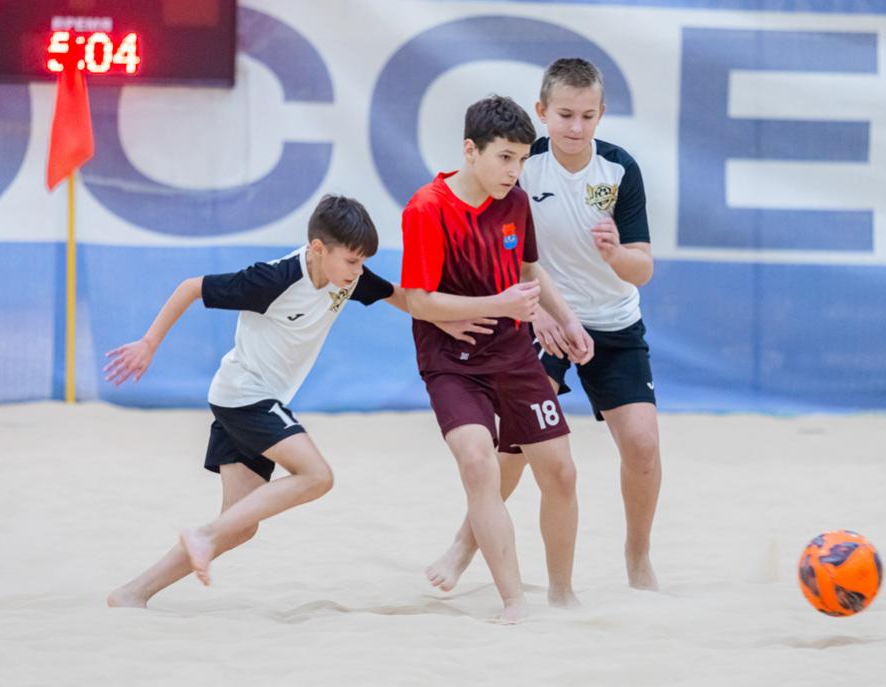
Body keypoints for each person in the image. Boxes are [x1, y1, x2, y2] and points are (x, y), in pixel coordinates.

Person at [104, 194, 477, 608]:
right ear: (318, 249)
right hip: (246, 396)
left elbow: (401, 297)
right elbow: (191, 287)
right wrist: (149, 342)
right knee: (317, 476)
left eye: (361, 263)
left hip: (243, 399)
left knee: (239, 526)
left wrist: (446, 321)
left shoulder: (346, 276)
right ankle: (202, 536)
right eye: (352, 261)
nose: (358, 271)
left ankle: (133, 593)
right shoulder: (272, 280)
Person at [426, 58, 662, 593]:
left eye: (587, 116)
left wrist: (615, 255)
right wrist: (539, 315)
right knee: (514, 445)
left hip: (613, 322)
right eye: (564, 115)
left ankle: (638, 558)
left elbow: (643, 269)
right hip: (540, 321)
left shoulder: (619, 170)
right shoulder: (520, 163)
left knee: (643, 446)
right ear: (542, 111)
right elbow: (496, 251)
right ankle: (464, 545)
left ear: (601, 113)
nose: (576, 127)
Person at [402, 95, 594, 623]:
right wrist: (499, 304)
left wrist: (568, 320)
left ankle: (562, 594)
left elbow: (530, 270)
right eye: (505, 157)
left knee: (561, 473)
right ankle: (514, 601)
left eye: (522, 159)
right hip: (451, 363)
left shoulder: (515, 202)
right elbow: (419, 301)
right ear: (471, 150)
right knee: (478, 462)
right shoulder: (426, 208)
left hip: (512, 355)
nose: (514, 171)